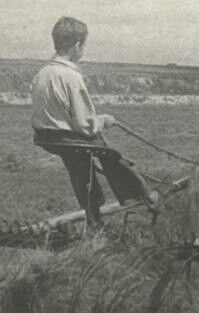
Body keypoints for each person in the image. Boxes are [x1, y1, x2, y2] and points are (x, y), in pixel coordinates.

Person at [31, 16, 158, 228]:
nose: (84, 50)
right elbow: (85, 124)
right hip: (71, 139)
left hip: (49, 138)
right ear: (77, 45)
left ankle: (94, 220)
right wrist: (105, 120)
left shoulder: (42, 74)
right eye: (84, 45)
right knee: (114, 157)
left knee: (82, 172)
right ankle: (142, 196)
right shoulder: (70, 76)